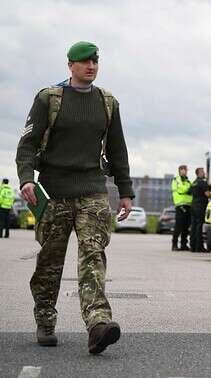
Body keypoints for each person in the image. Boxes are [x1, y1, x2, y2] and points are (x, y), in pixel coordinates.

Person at [15, 41, 134, 354]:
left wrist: (126, 191)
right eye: (84, 61)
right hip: (54, 192)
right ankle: (45, 317)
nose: (91, 66)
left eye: (95, 61)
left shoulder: (108, 102)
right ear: (70, 65)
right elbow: (26, 146)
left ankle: (98, 323)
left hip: (93, 191)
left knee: (93, 255)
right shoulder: (49, 99)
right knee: (50, 261)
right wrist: (27, 178)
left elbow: (118, 150)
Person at [171, 165, 192, 251]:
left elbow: (191, 190)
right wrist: (188, 190)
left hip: (188, 205)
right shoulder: (176, 180)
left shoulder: (188, 181)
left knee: (186, 227)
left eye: (186, 170)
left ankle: (184, 244)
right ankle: (174, 244)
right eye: (183, 170)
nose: (185, 171)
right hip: (180, 205)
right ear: (180, 170)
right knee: (178, 226)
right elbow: (181, 190)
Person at [190, 167, 211, 252]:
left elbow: (190, 192)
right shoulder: (203, 182)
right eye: (202, 172)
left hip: (193, 205)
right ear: (198, 173)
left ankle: (192, 246)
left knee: (193, 226)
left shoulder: (194, 182)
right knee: (199, 227)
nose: (204, 173)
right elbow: (207, 194)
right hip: (200, 206)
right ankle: (199, 247)